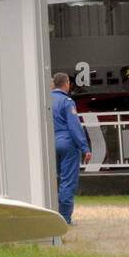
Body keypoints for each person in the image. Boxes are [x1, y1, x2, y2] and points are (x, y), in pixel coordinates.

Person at [51, 72, 90, 224]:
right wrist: (85, 147)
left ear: (54, 84)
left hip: (50, 143)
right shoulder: (67, 102)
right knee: (67, 181)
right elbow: (74, 127)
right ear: (66, 84)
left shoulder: (46, 101)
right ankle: (64, 218)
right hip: (67, 143)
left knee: (54, 180)